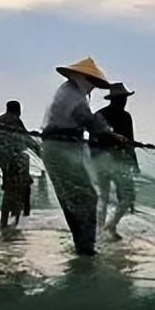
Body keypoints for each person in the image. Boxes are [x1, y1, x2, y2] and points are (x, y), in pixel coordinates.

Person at [40, 57, 122, 256]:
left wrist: (105, 133)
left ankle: (82, 245)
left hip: (58, 150)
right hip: (61, 151)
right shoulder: (73, 96)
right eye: (91, 82)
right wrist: (110, 136)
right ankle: (86, 248)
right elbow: (87, 120)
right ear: (82, 77)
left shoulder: (68, 91)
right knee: (86, 198)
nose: (92, 87)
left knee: (73, 199)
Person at [90, 83, 140, 241]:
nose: (125, 101)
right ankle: (110, 226)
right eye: (124, 98)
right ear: (119, 99)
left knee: (103, 196)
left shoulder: (99, 115)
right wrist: (134, 163)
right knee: (127, 197)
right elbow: (129, 142)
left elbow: (91, 141)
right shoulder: (125, 117)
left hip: (99, 160)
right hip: (118, 160)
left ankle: (100, 230)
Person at [0, 100, 33, 229]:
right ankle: (16, 222)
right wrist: (40, 150)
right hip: (17, 160)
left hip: (4, 162)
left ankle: (3, 222)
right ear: (18, 110)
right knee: (20, 190)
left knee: (8, 190)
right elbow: (26, 138)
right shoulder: (15, 120)